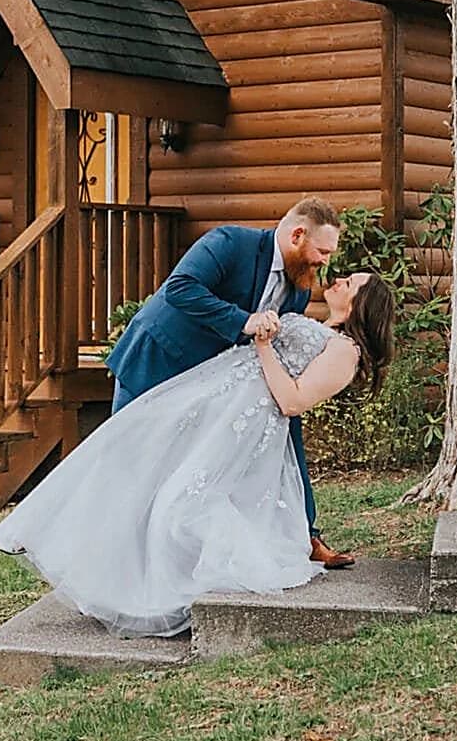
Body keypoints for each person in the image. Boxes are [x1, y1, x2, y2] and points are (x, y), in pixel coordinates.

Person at [0, 272, 395, 638]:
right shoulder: (319, 324)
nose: (338, 279)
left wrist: (265, 345)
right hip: (213, 401)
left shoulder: (346, 352)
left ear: (363, 305)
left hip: (242, 424)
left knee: (182, 503)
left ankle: (154, 592)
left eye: (351, 283)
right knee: (132, 459)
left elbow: (292, 401)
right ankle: (87, 562)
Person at [102, 197, 357, 569]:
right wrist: (244, 320)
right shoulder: (230, 242)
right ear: (297, 235)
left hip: (212, 384)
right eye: (322, 251)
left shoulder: (299, 291)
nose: (325, 262)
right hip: (158, 360)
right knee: (128, 462)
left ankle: (305, 534)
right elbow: (180, 287)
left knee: (277, 431)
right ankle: (108, 560)